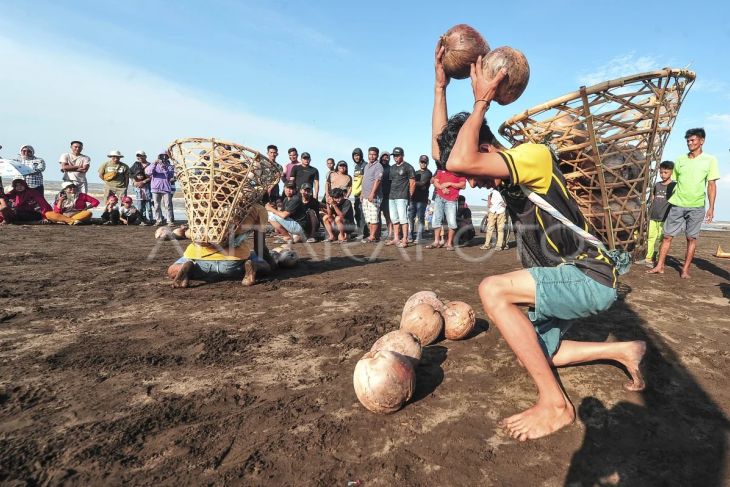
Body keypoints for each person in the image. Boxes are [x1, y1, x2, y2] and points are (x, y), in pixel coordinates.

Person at [433, 46, 646, 441]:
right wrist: (441, 87)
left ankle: (556, 405)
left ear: (487, 147)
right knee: (535, 347)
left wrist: (481, 101)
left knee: (491, 290)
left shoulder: (532, 157)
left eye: (475, 169)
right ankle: (624, 351)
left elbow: (461, 160)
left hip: (588, 275)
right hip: (563, 277)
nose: (471, 183)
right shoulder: (504, 171)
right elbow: (450, 157)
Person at [648, 128, 719, 279]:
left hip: (697, 206)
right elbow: (674, 182)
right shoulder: (680, 160)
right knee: (667, 236)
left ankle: (685, 269)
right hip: (677, 204)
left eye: (693, 140)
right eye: (688, 141)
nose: (690, 143)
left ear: (702, 141)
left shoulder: (710, 160)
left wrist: (711, 208)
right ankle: (660, 266)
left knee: (691, 238)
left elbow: (711, 184)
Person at [168, 204, 276, 288]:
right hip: (234, 263)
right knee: (262, 263)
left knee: (171, 270)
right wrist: (270, 265)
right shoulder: (257, 209)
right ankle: (252, 267)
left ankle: (187, 268)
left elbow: (193, 234)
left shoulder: (198, 206)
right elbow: (259, 247)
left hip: (200, 260)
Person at [642, 161, 676, 266]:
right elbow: (652, 198)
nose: (663, 175)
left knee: (661, 238)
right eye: (661, 172)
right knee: (651, 237)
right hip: (653, 216)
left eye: (666, 172)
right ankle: (648, 257)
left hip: (665, 217)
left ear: (671, 172)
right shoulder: (657, 185)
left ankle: (658, 258)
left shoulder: (673, 186)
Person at [427, 161, 466, 251]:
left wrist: (449, 184)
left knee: (452, 222)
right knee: (437, 219)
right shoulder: (441, 171)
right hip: (439, 198)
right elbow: (435, 182)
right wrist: (442, 188)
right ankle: (436, 241)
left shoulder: (459, 172)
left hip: (451, 200)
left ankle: (449, 243)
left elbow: (463, 185)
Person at [386, 147, 416, 248]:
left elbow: (412, 182)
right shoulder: (392, 167)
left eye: (397, 155)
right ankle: (396, 238)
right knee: (394, 218)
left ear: (402, 155)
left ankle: (405, 239)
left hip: (402, 196)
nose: (395, 157)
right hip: (392, 196)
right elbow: (391, 182)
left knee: (403, 218)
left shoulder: (408, 167)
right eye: (394, 155)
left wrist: (410, 195)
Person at [146, 151, 176, 226]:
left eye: (166, 156)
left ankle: (169, 221)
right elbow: (149, 173)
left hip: (166, 188)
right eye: (162, 156)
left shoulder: (170, 166)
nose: (164, 157)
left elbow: (169, 177)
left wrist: (164, 168)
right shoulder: (153, 165)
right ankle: (158, 220)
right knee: (156, 206)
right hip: (155, 188)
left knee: (168, 205)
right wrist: (154, 163)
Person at [361, 146, 384, 242]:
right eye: (370, 154)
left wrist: (372, 193)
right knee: (368, 218)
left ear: (377, 155)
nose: (371, 156)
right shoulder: (366, 166)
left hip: (374, 196)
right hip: (365, 196)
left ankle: (373, 236)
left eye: (374, 154)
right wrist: (362, 193)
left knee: (374, 217)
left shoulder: (378, 166)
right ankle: (371, 235)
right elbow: (364, 180)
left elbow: (377, 180)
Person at [409, 154, 433, 244]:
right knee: (411, 217)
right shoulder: (416, 172)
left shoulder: (428, 173)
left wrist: (412, 182)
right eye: (422, 162)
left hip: (422, 200)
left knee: (420, 218)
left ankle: (419, 236)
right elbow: (415, 184)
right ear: (419, 162)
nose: (423, 164)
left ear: (427, 163)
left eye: (425, 162)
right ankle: (410, 235)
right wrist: (414, 183)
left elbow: (422, 184)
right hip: (413, 198)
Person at [129, 150, 154, 224]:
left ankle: (151, 219)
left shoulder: (150, 164)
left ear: (145, 156)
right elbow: (130, 173)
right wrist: (134, 182)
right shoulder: (136, 164)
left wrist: (143, 181)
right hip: (137, 187)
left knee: (148, 203)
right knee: (140, 204)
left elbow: (152, 176)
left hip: (147, 186)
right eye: (138, 156)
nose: (139, 157)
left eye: (141, 156)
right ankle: (143, 220)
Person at [481, 186, 507, 250]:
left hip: (501, 211)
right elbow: (489, 195)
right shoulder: (493, 189)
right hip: (493, 210)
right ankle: (487, 244)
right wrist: (489, 203)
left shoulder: (504, 189)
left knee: (500, 229)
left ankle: (499, 245)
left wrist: (506, 204)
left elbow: (508, 198)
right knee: (490, 228)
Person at [351, 148, 368, 238]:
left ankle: (363, 233)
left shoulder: (365, 165)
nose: (356, 157)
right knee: (357, 213)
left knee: (362, 214)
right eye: (354, 155)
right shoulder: (356, 167)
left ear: (361, 155)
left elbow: (366, 180)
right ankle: (361, 232)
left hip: (363, 194)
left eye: (357, 155)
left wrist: (363, 193)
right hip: (356, 194)